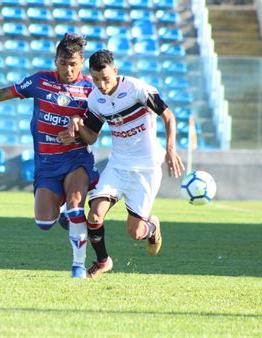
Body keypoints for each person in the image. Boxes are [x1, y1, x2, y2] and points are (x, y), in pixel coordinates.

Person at [0, 34, 99, 278]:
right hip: (47, 163)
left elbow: (93, 136)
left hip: (76, 159)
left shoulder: (90, 90)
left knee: (76, 207)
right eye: (62, 63)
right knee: (44, 222)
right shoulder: (39, 81)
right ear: (55, 60)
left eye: (73, 64)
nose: (68, 69)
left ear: (81, 63)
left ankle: (78, 266)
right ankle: (64, 218)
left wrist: (77, 130)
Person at [59, 49, 184, 278]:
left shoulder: (137, 89)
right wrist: (76, 125)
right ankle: (103, 261)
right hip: (117, 166)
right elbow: (92, 136)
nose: (101, 85)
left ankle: (152, 226)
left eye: (105, 78)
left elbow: (168, 116)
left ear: (115, 71)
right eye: (95, 79)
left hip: (145, 170)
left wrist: (170, 149)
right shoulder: (95, 99)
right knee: (94, 216)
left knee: (135, 232)